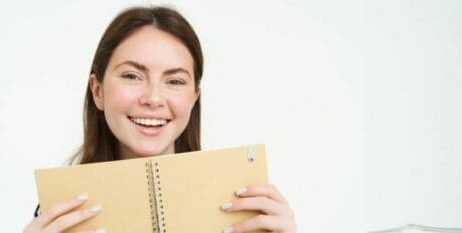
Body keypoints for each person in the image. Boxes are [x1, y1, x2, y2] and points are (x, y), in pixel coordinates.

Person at [23, 6, 296, 233]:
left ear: (193, 98)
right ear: (98, 91)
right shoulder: (58, 216)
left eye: (175, 81)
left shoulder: (245, 204)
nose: (154, 98)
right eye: (132, 76)